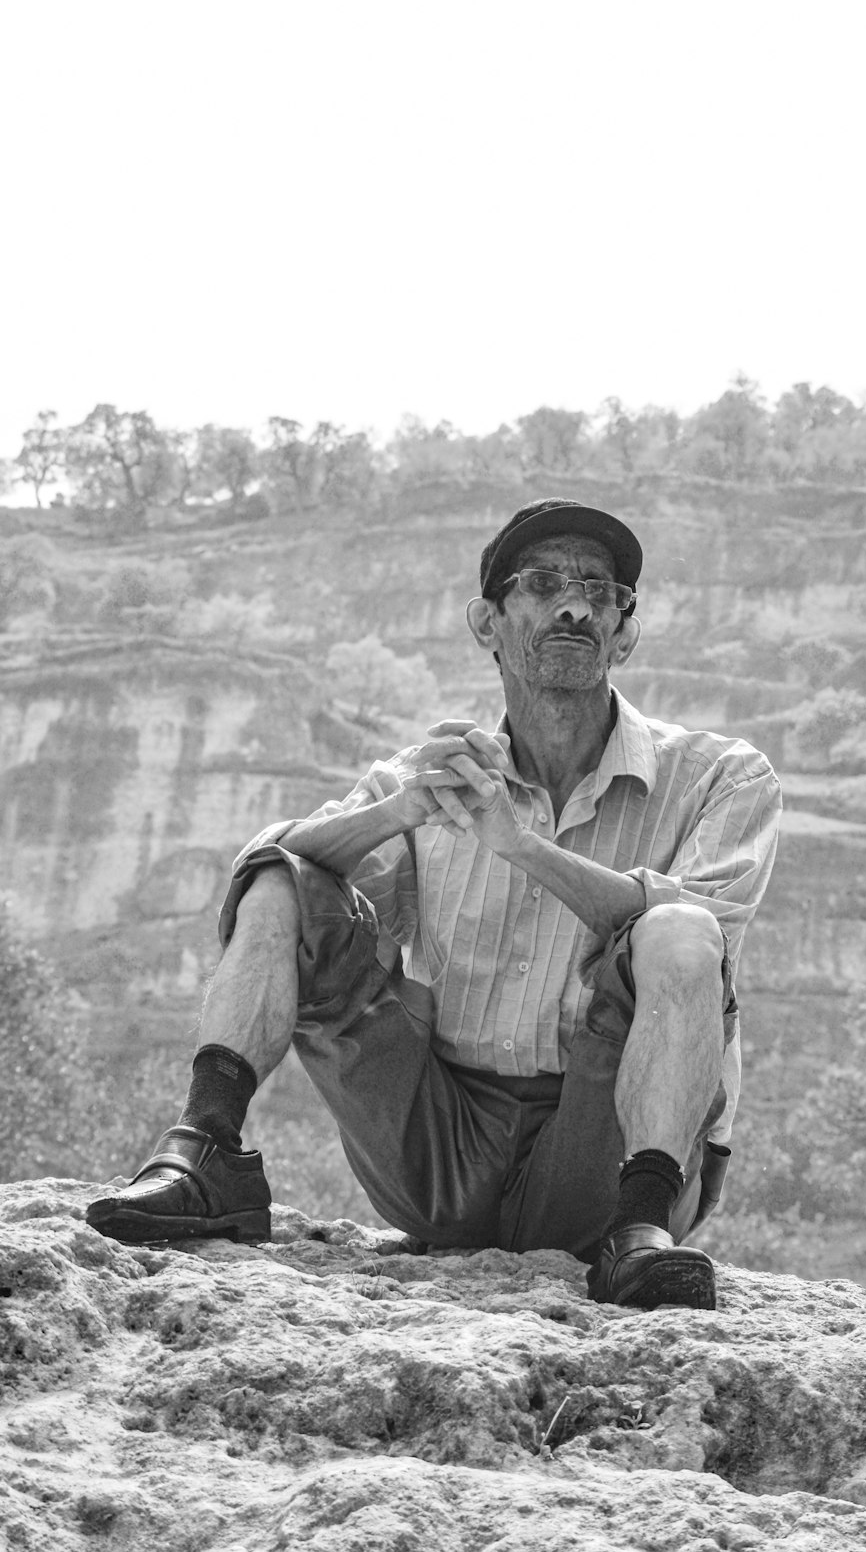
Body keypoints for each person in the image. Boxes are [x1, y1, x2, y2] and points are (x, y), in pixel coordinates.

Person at [87, 497, 781, 1310]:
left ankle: (639, 1237)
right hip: (438, 1152)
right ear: (487, 624)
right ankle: (205, 1152)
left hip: (605, 1154)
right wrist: (399, 814)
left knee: (679, 930)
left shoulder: (723, 776)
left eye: (601, 591)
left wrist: (518, 844)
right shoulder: (434, 775)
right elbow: (276, 867)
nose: (574, 605)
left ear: (625, 633)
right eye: (543, 583)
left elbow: (706, 945)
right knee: (284, 871)